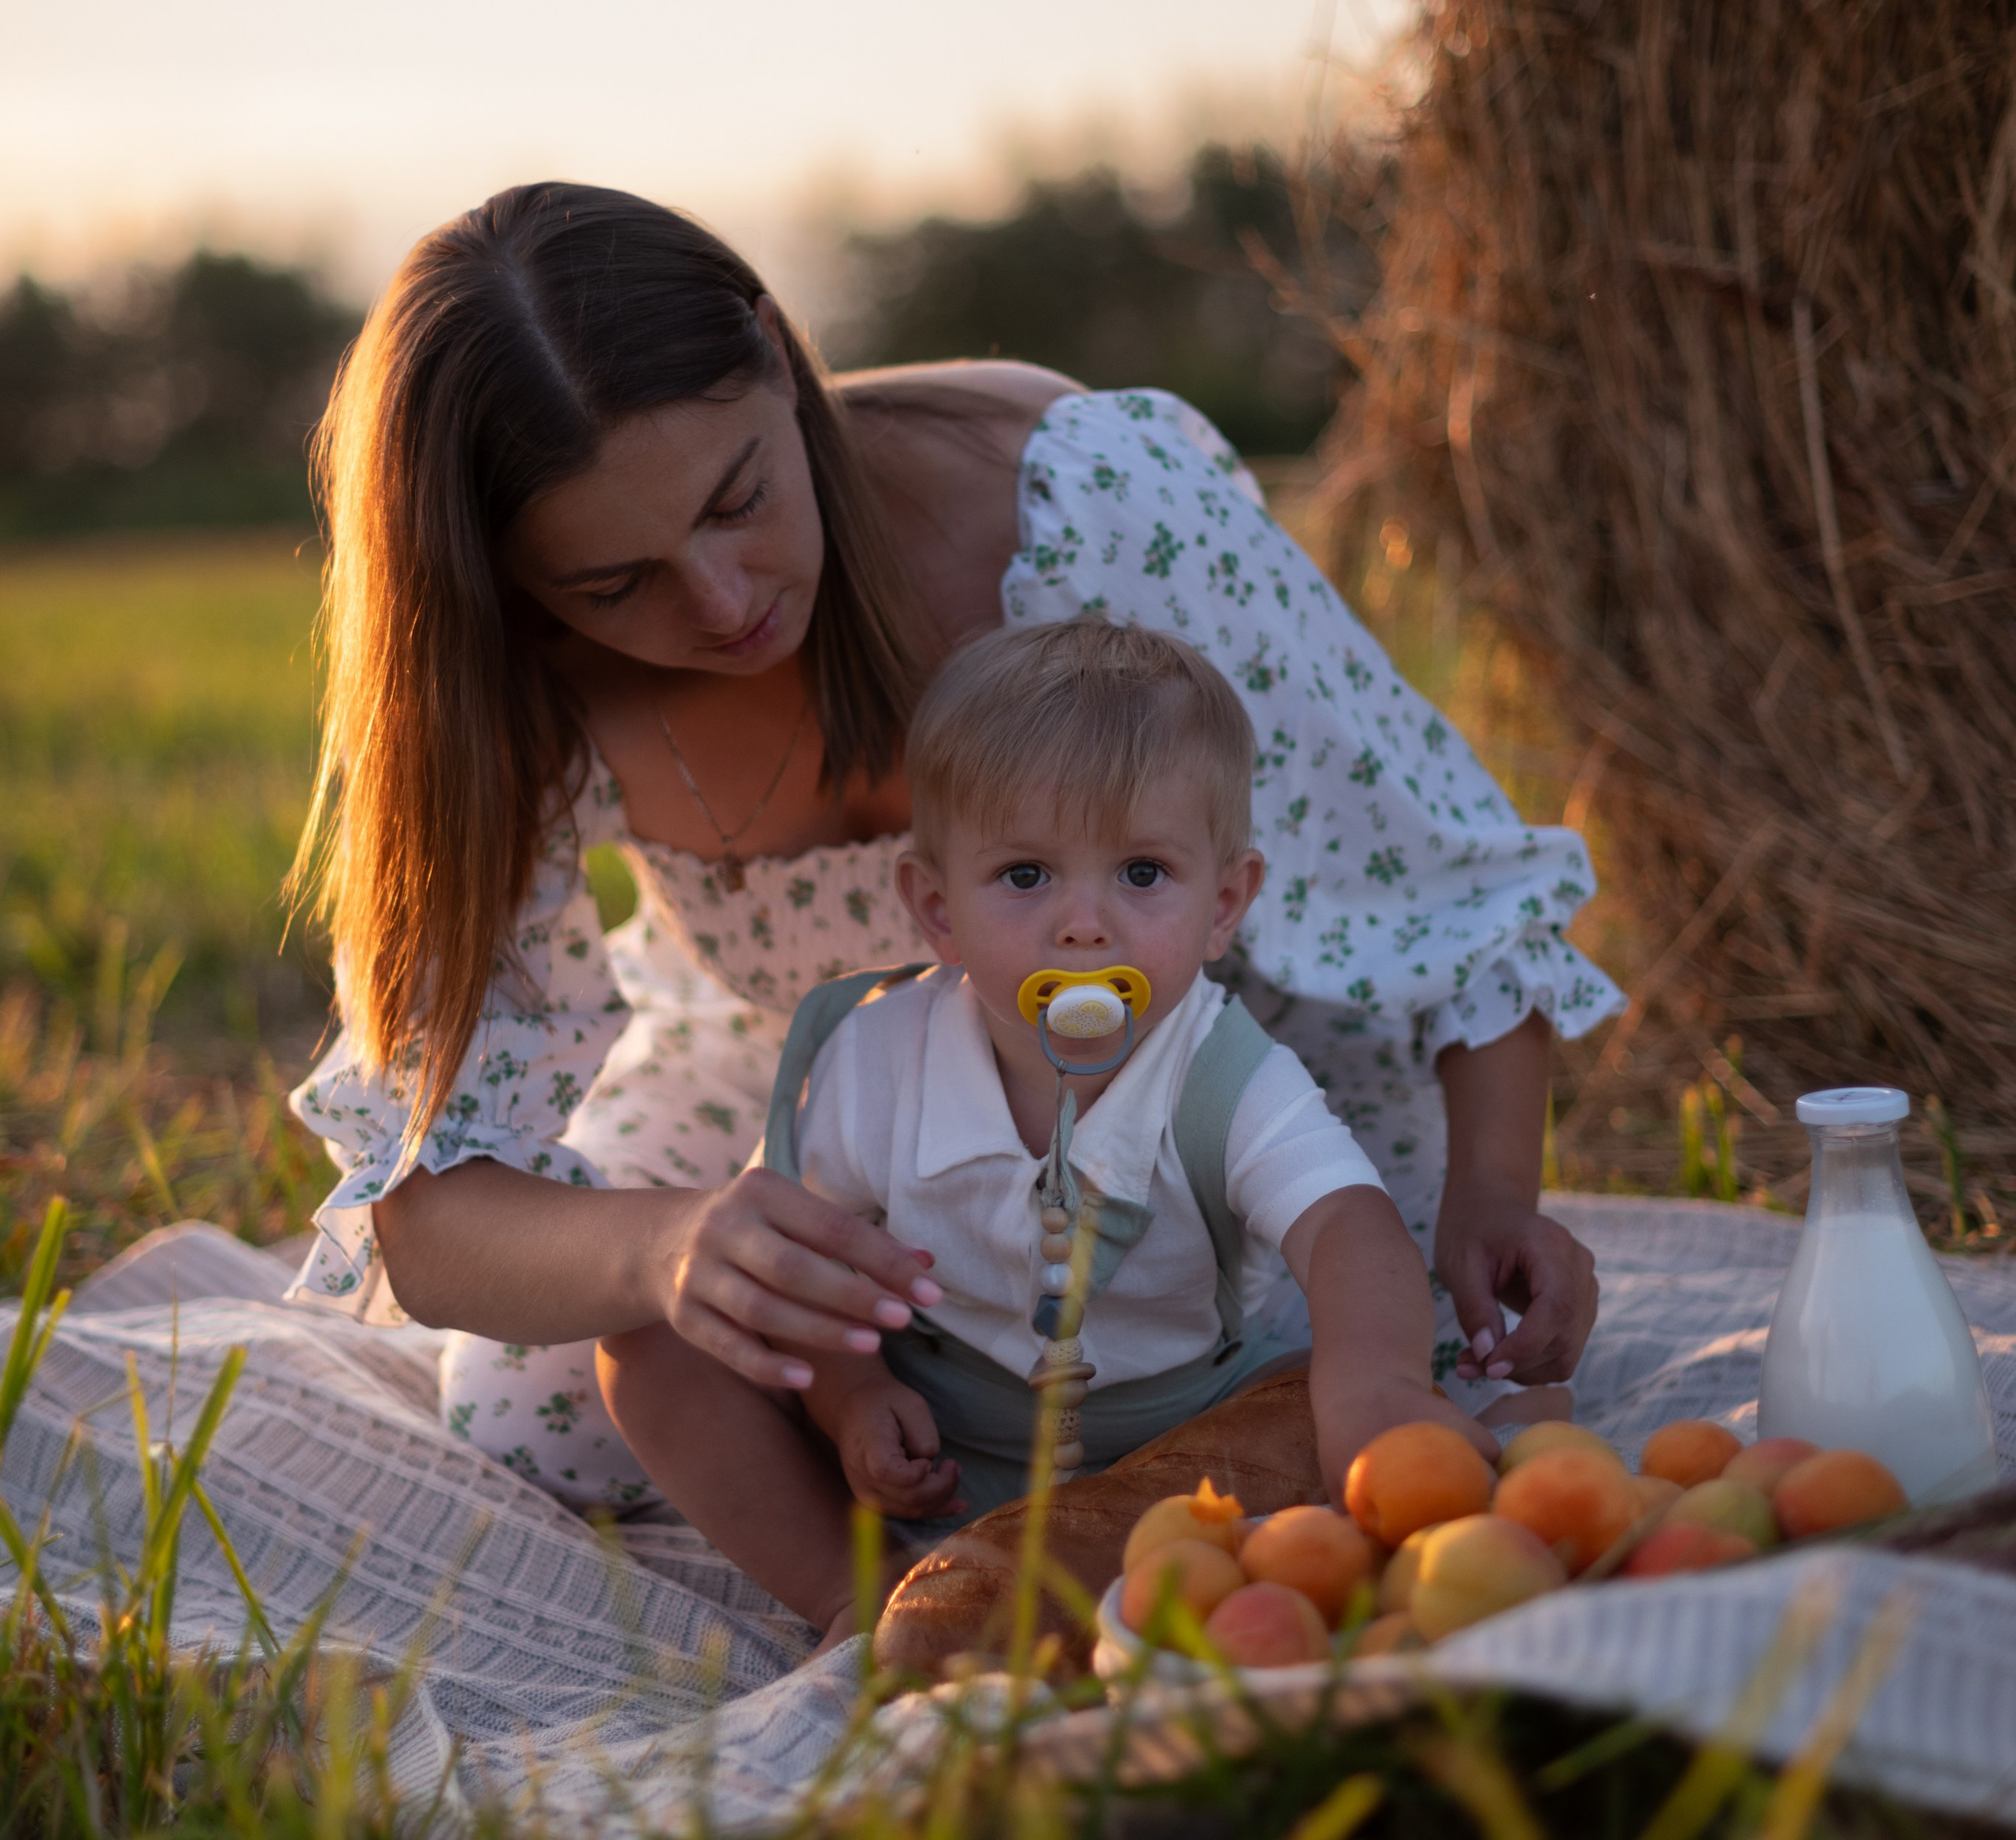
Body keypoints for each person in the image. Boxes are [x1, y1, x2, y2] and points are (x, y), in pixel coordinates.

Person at [286, 181, 1621, 1520]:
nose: (725, 602)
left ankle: (1036, 1457)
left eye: (737, 499)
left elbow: (1437, 878)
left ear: (775, 353)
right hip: (813, 1091)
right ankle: (903, 1513)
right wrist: (672, 1245)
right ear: (510, 585)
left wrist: (1497, 1190)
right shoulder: (497, 689)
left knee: (1429, 1348)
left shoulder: (1089, 498)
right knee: (541, 1413)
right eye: (613, 586)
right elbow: (429, 1199)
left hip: (1190, 1037)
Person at [635, 618, 1499, 1635]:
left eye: (1141, 874)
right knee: (658, 1348)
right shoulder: (878, 1061)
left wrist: (1375, 1389)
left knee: (1338, 1391)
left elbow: (1347, 1226)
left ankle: (1147, 1578)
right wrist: (851, 1396)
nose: (1083, 924)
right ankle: (859, 1605)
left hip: (1178, 1457)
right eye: (1026, 876)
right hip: (938, 1436)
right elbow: (794, 1265)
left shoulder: (1226, 1074)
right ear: (938, 909)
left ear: (1224, 905)